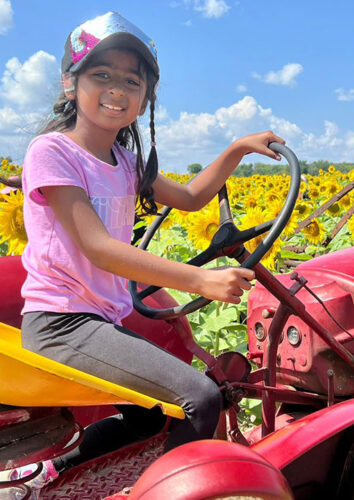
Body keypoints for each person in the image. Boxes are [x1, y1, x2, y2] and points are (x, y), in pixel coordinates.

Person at [1, 11, 284, 496]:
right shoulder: (52, 152)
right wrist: (200, 280)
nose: (117, 89)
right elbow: (99, 247)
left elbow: (193, 198)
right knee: (201, 397)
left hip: (99, 321)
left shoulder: (125, 161)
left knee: (149, 418)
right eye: (102, 75)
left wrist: (237, 149)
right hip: (58, 323)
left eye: (131, 81)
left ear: (144, 98)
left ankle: (54, 475)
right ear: (72, 85)